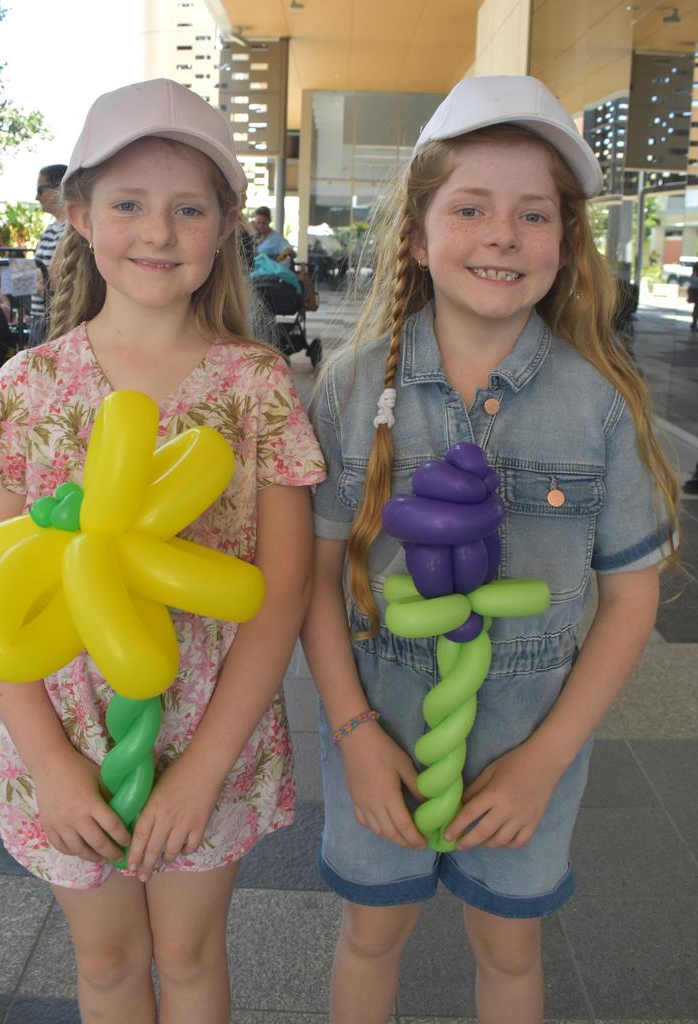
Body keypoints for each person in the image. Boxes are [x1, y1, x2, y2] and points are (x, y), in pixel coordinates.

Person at [0, 78, 325, 1024]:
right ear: (78, 214)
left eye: (188, 208)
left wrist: (202, 770)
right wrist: (54, 763)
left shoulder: (255, 385)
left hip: (212, 728)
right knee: (108, 962)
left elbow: (283, 590)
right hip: (60, 729)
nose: (158, 231)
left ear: (227, 224)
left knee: (191, 954)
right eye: (128, 203)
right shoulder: (29, 386)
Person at [301, 75, 679, 1024]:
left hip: (526, 737)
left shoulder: (601, 406)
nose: (503, 234)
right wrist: (351, 737)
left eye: (533, 214)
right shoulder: (350, 391)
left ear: (565, 244)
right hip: (377, 729)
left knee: (509, 950)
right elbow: (310, 582)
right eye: (470, 208)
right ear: (420, 237)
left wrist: (546, 758)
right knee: (371, 935)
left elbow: (631, 598)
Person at [28, 163, 68, 347]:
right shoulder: (50, 230)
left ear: (58, 188)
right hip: (39, 317)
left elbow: (50, 280)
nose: (37, 197)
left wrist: (21, 279)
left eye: (40, 190)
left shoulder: (69, 230)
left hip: (53, 318)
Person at [686, 265, 698, 330]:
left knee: (696, 307)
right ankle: (694, 323)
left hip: (694, 289)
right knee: (696, 307)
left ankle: (694, 323)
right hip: (695, 290)